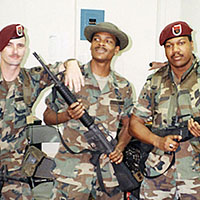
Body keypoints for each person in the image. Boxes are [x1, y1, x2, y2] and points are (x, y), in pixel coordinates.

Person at [43, 22, 135, 200]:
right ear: (91, 45)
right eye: (97, 39)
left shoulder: (123, 86)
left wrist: (120, 148)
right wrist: (67, 115)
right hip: (72, 168)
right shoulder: (71, 78)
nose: (101, 43)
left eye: (108, 41)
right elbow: (48, 117)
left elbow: (128, 124)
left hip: (109, 169)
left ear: (116, 50)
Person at [0, 23, 83, 199]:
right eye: (9, 45)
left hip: (14, 172)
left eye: (20, 45)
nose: (15, 51)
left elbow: (60, 68)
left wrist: (72, 63)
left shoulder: (31, 79)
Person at [129, 21, 200, 200]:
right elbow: (134, 124)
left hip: (195, 173)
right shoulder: (155, 81)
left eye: (181, 43)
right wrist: (158, 141)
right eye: (169, 45)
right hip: (158, 173)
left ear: (192, 44)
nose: (175, 49)